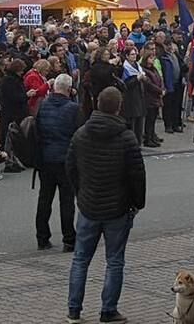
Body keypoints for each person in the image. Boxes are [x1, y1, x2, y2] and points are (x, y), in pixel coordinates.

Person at [65, 86, 146, 324]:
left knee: (80, 259)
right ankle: (108, 310)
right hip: (117, 207)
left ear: (98, 104)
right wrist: (137, 202)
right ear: (118, 107)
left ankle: (73, 309)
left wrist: (80, 192)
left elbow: (70, 167)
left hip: (89, 204)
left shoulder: (81, 134)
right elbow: (137, 175)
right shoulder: (126, 137)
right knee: (114, 260)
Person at [37, 73, 81, 251]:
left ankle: (42, 237)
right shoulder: (73, 109)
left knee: (44, 198)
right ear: (69, 90)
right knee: (67, 200)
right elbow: (79, 136)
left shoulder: (43, 106)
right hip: (65, 160)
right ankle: (69, 239)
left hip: (45, 158)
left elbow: (37, 131)